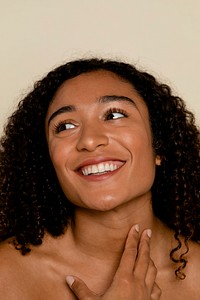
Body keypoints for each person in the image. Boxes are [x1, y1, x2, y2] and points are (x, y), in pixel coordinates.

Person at [0, 58, 199, 300]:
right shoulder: (7, 275)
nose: (89, 141)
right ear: (48, 159)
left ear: (159, 146)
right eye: (65, 126)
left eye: (114, 115)